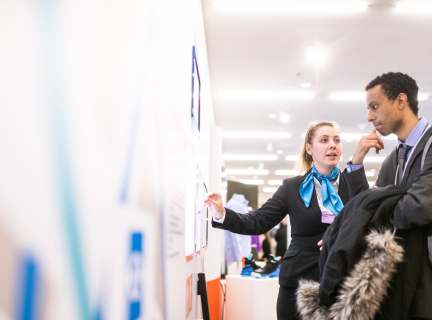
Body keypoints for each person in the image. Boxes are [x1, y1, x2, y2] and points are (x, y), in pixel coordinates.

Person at [203, 121, 369, 320]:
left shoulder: (353, 184)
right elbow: (258, 221)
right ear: (309, 148)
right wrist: (221, 212)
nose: (332, 145)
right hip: (298, 281)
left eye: (337, 140)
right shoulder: (292, 187)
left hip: (343, 281)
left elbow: (367, 222)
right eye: (324, 140)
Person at [349, 72, 432, 320]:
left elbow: (416, 208)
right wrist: (355, 164)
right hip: (400, 280)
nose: (369, 116)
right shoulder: (391, 161)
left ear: (401, 101)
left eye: (375, 106)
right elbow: (364, 207)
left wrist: (380, 207)